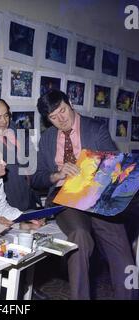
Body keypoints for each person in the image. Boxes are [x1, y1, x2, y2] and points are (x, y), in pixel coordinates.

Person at [32, 89, 135, 300]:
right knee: (80, 236)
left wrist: (91, 168)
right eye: (53, 117)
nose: (60, 119)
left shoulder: (96, 129)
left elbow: (114, 169)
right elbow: (37, 178)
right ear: (47, 119)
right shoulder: (47, 138)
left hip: (97, 195)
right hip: (65, 196)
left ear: (70, 103)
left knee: (122, 251)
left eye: (62, 110)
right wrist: (56, 174)